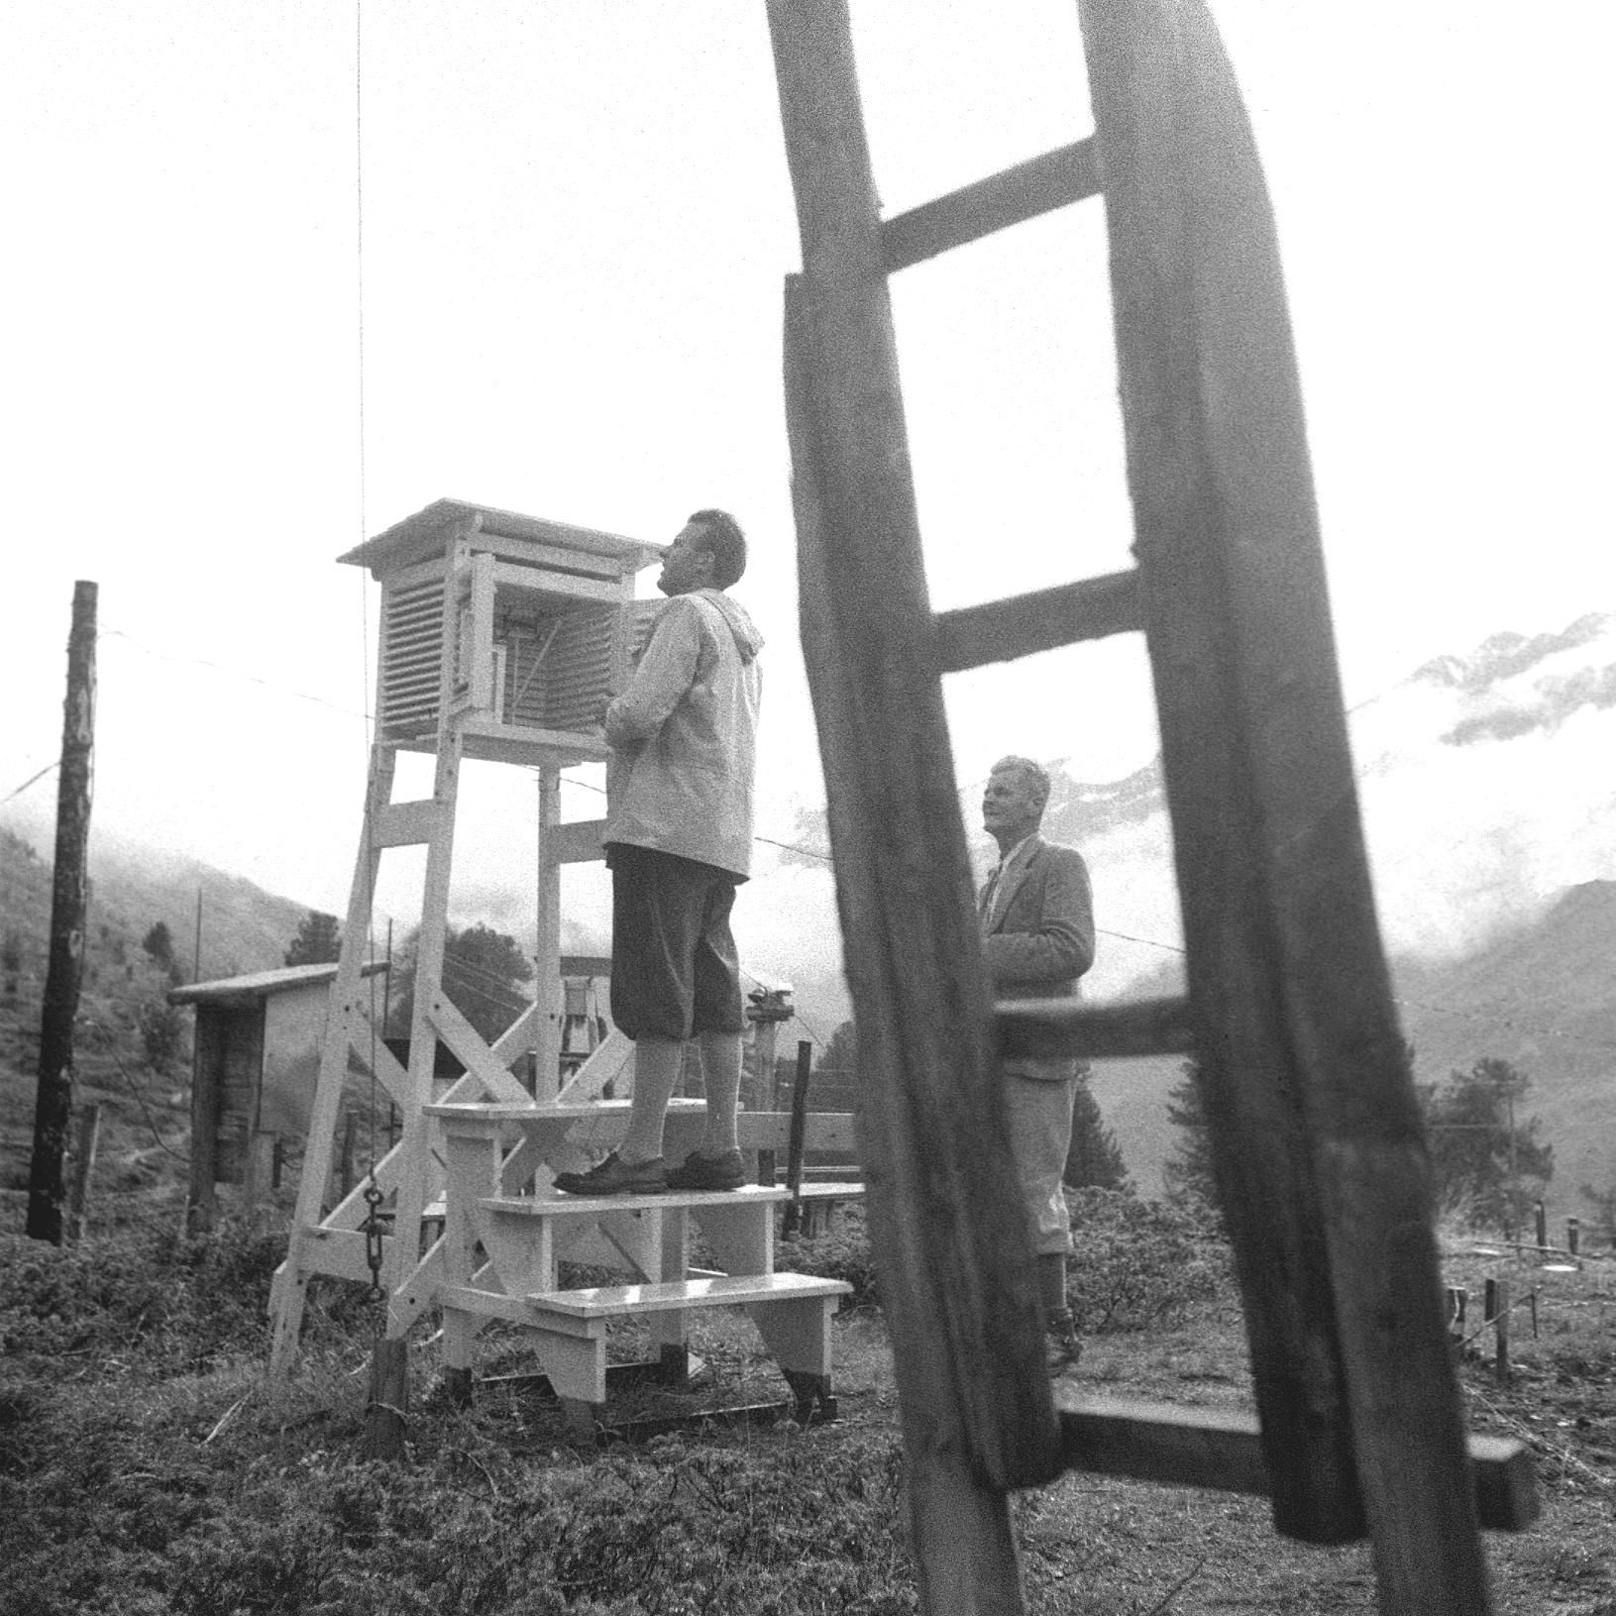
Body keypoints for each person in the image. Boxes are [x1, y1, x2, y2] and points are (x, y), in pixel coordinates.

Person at [554, 510, 763, 1197]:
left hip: (662, 828)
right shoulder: (743, 640)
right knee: (714, 992)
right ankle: (721, 1149)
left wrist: (606, 712)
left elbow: (640, 716)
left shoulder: (685, 616)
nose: (664, 555)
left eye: (677, 544)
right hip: (720, 834)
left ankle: (641, 1153)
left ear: (703, 561)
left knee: (657, 991)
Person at [978, 755, 1096, 1370]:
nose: (989, 796)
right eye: (988, 788)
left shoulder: (1060, 863)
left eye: (1004, 790)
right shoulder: (991, 880)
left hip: (1037, 1058)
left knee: (1033, 1190)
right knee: (995, 1193)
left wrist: (974, 949)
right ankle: (1014, 1329)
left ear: (1034, 805)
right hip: (991, 1060)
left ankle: (1057, 1331)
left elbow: (1072, 949)